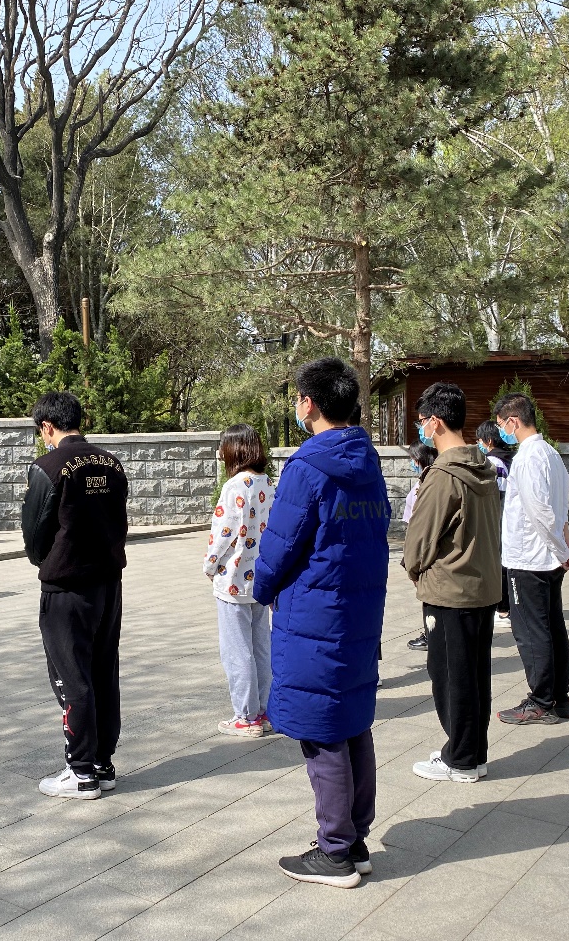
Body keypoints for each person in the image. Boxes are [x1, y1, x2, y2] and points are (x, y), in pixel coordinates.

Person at [255, 357, 390, 889]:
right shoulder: (368, 462)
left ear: (308, 403)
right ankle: (354, 841)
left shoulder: (307, 466)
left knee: (322, 731)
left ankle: (334, 852)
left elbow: (279, 544)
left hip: (314, 615)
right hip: (358, 613)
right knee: (352, 720)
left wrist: (260, 590)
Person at [21, 391, 129, 800]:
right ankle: (102, 763)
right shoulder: (111, 464)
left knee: (72, 676)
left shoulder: (48, 467)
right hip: (108, 583)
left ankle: (81, 771)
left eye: (41, 431)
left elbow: (35, 535)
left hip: (67, 587)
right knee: (103, 670)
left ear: (48, 426)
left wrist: (48, 560)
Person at [402, 383, 502, 783]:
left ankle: (460, 759)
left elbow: (419, 541)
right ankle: (472, 753)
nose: (420, 428)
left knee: (451, 678)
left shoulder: (443, 474)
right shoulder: (483, 465)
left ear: (436, 421)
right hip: (481, 586)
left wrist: (414, 569)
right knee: (474, 677)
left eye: (421, 421)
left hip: (450, 590)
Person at [493, 392, 569, 725]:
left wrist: (561, 548)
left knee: (531, 630)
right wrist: (565, 545)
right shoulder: (550, 454)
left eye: (502, 425)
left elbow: (540, 511)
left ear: (513, 421)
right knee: (552, 626)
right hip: (546, 557)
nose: (502, 431)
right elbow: (561, 504)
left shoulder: (529, 457)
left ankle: (541, 699)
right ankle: (560, 697)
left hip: (529, 559)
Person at [205, 424, 275, 738]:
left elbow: (223, 533)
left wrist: (209, 565)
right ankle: (263, 709)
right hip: (260, 579)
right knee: (261, 647)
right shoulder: (266, 482)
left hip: (233, 579)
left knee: (237, 650)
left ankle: (246, 717)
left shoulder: (234, 486)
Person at [475, 419, 514, 625]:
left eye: (480, 440)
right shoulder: (510, 458)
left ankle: (503, 609)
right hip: (507, 517)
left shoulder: (492, 462)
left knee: (497, 563)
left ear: (489, 440)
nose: (478, 444)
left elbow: (491, 495)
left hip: (496, 518)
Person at [403, 441, 439, 652]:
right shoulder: (433, 478)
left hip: (422, 548)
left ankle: (431, 633)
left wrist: (411, 561)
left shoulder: (424, 484)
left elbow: (415, 525)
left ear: (418, 459)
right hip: (428, 546)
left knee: (428, 594)